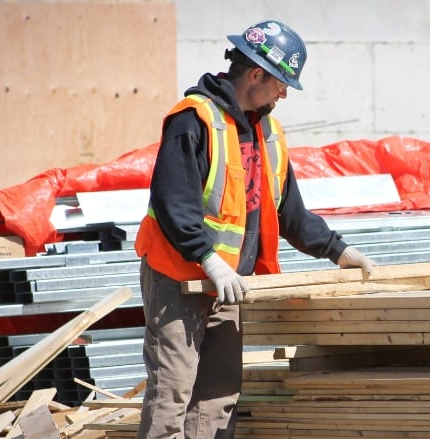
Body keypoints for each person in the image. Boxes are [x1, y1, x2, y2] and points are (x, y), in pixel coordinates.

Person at [133, 20, 375, 438]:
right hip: (179, 279)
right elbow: (173, 205)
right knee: (172, 394)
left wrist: (338, 250)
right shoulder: (194, 121)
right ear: (256, 74)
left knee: (217, 397)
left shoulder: (268, 132)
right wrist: (210, 260)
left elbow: (289, 213)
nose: (284, 92)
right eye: (281, 82)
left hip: (229, 286)